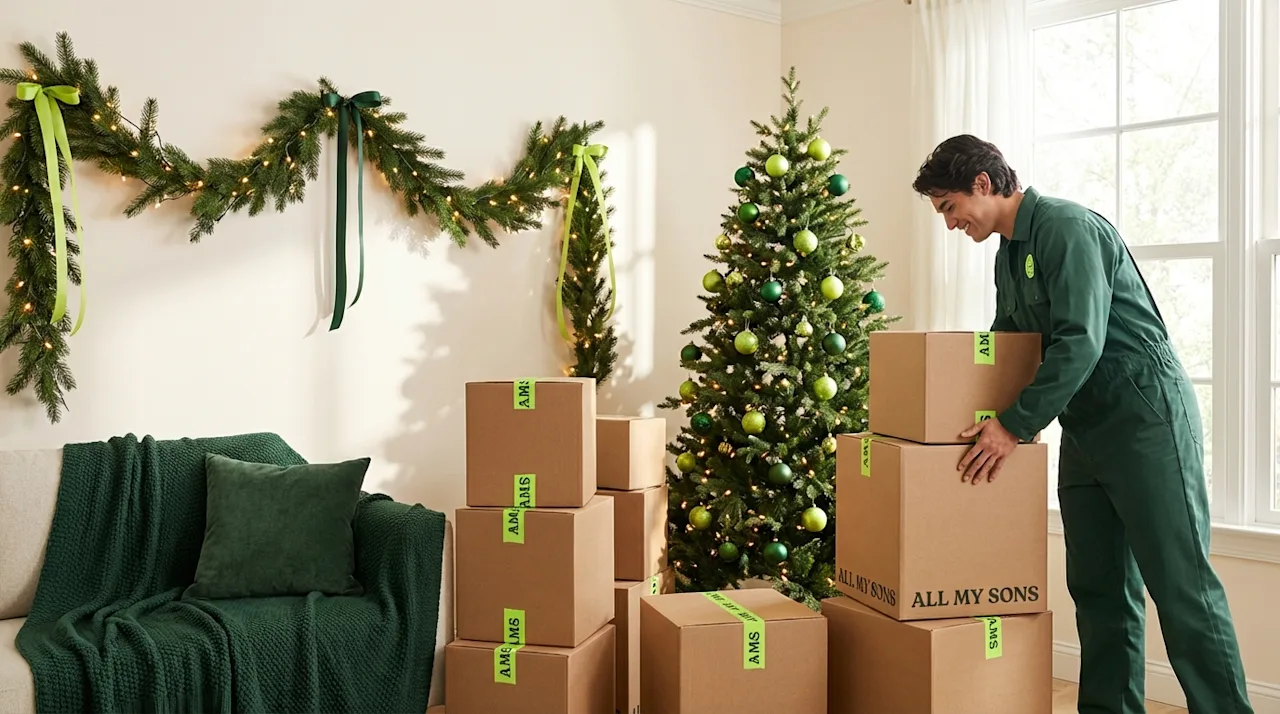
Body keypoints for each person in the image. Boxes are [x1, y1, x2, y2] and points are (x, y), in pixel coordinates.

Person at [911, 134, 1254, 714]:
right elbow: (1008, 346)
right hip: (1085, 426)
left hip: (1145, 416)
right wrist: (957, 415)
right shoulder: (1008, 254)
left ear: (982, 184)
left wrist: (1013, 424)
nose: (950, 224)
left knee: (1181, 587)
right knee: (1099, 590)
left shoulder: (1067, 227)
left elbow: (1081, 341)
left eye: (949, 207)